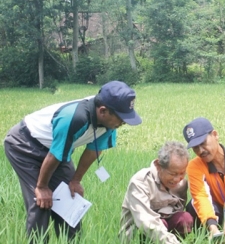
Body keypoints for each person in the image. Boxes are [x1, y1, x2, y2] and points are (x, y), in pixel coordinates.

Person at [4, 80, 142, 243]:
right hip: (24, 145)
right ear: (103, 111)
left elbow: (93, 150)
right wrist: (42, 187)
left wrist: (76, 180)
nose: (123, 122)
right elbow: (55, 155)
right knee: (41, 202)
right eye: (121, 117)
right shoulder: (75, 118)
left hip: (55, 150)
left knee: (70, 200)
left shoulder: (109, 124)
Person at [119, 141, 193, 244]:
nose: (177, 179)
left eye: (182, 173)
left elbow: (178, 209)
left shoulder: (182, 184)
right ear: (158, 166)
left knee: (185, 218)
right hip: (139, 231)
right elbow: (145, 221)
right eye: (173, 174)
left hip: (165, 231)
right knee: (159, 224)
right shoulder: (140, 182)